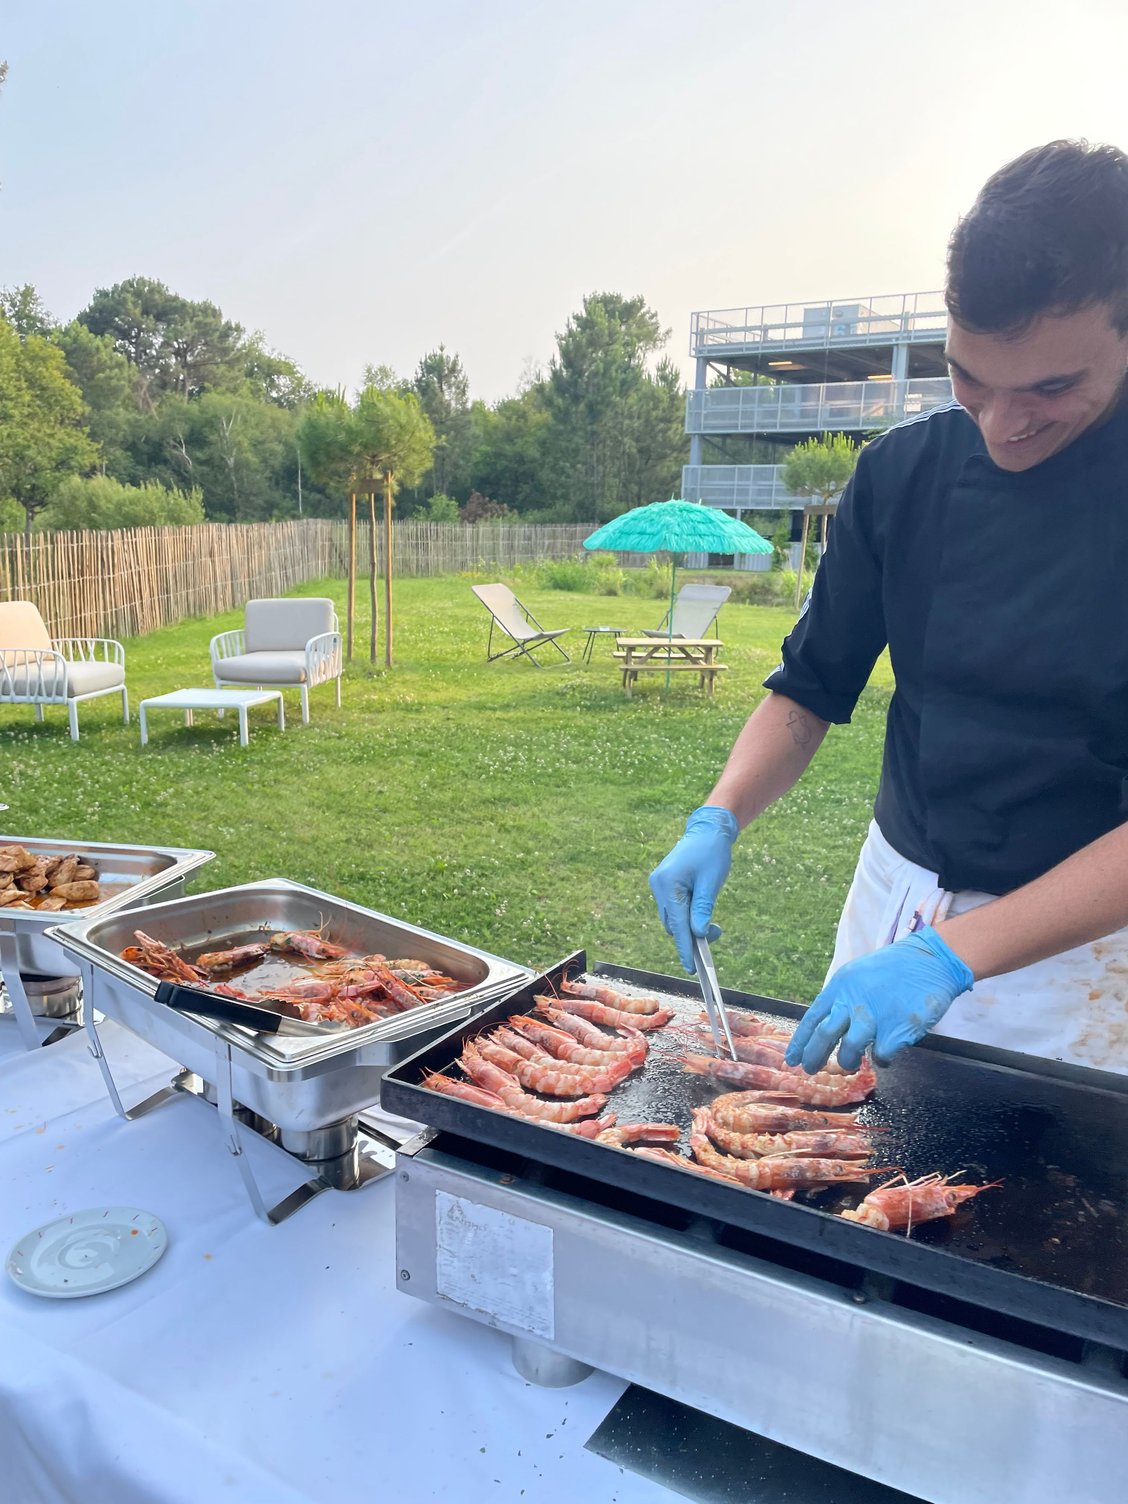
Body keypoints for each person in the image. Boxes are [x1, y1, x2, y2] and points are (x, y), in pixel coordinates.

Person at [650, 139, 1128, 1078]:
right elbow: (809, 688)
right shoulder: (903, 473)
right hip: (895, 898)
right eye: (970, 378)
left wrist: (956, 954)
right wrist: (720, 813)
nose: (1002, 425)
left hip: (1083, 948)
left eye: (1051, 387)